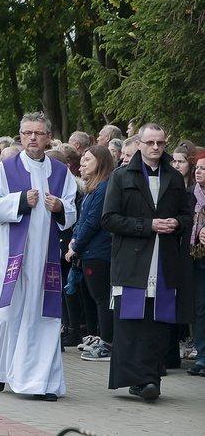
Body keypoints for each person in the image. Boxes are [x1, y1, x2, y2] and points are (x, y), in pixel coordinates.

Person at [0, 112, 78, 401]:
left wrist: (61, 207)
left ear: (48, 137)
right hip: (11, 258)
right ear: (20, 136)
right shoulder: (6, 168)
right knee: (4, 317)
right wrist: (20, 201)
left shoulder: (61, 172)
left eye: (38, 133)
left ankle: (41, 382)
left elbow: (72, 209)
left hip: (45, 261)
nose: (32, 138)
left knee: (43, 318)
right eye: (27, 133)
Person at [102, 123, 192, 401]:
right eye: (150, 142)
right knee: (131, 323)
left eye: (161, 143)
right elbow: (109, 219)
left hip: (164, 261)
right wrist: (148, 225)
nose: (156, 148)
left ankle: (151, 379)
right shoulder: (121, 176)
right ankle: (136, 379)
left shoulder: (175, 178)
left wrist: (176, 222)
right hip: (131, 261)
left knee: (158, 325)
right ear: (139, 144)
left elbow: (186, 216)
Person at [64, 146, 115, 361]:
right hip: (89, 250)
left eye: (87, 160)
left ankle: (108, 343)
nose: (82, 164)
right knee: (95, 298)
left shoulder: (103, 189)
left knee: (102, 298)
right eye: (82, 159)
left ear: (101, 163)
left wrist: (75, 246)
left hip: (98, 252)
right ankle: (99, 336)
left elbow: (93, 222)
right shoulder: (93, 188)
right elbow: (83, 220)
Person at [188, 154, 205, 377]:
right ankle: (202, 356)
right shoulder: (189, 195)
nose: (199, 171)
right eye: (198, 168)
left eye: (204, 168)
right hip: (198, 259)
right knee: (200, 308)